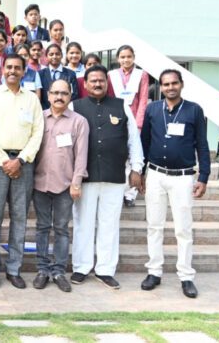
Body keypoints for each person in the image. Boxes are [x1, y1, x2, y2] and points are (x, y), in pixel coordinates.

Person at [71, 65, 144, 290]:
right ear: (85, 83)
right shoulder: (76, 106)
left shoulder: (121, 106)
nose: (97, 84)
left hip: (114, 175)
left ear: (106, 82)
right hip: (85, 176)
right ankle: (81, 267)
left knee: (109, 224)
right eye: (93, 80)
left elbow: (133, 139)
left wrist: (136, 168)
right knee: (83, 223)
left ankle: (105, 269)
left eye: (101, 80)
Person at [139, 69, 210, 299]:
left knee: (183, 229)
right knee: (154, 225)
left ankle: (186, 276)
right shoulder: (152, 109)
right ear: (160, 87)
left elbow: (202, 144)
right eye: (166, 84)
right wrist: (140, 173)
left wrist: (204, 176)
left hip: (183, 177)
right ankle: (154, 271)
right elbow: (144, 142)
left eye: (174, 83)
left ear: (181, 84)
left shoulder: (194, 110)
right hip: (156, 175)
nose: (170, 87)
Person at [0, 54, 44, 289]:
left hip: (24, 163)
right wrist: (5, 160)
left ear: (25, 70)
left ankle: (14, 269)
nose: (13, 71)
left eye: (18, 67)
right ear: (2, 69)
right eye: (9, 67)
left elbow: (38, 132)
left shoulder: (32, 99)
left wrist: (22, 159)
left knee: (19, 216)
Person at [32, 79, 89, 293]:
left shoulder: (79, 122)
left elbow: (81, 155)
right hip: (39, 182)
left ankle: (58, 271)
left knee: (62, 229)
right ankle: (42, 270)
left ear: (70, 95)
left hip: (65, 185)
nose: (59, 97)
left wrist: (76, 182)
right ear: (48, 95)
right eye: (55, 93)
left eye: (63, 93)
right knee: (42, 227)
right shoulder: (40, 118)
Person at [108, 45, 149, 208]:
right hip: (116, 120)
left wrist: (138, 124)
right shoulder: (111, 75)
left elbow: (144, 99)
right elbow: (110, 97)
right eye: (122, 57)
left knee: (134, 156)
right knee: (119, 155)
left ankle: (131, 193)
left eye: (129, 56)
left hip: (135, 119)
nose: (126, 60)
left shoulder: (142, 75)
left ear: (134, 57)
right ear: (118, 59)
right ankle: (119, 190)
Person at [38, 44, 79, 109]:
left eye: (57, 54)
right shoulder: (40, 74)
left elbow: (74, 95)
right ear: (46, 56)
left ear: (62, 55)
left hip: (65, 110)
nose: (54, 56)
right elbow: (40, 96)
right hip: (45, 111)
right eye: (51, 54)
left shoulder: (71, 74)